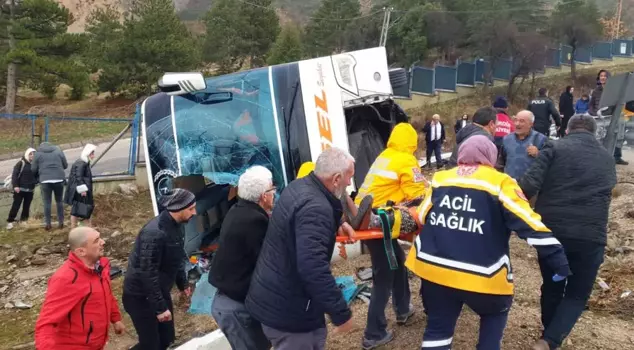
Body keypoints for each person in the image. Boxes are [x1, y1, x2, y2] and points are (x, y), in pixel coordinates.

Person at [371, 135, 570, 350]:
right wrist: (558, 260)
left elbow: (420, 216)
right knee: (494, 316)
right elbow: (529, 223)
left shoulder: (441, 179)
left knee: (438, 330)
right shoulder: (501, 183)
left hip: (435, 272)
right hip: (485, 276)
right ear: (490, 157)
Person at [519, 115, 617, 350]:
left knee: (552, 285)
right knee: (576, 294)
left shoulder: (554, 146)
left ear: (568, 130)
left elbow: (528, 185)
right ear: (594, 133)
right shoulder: (607, 157)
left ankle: (547, 334)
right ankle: (550, 340)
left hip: (552, 233)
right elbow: (609, 188)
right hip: (590, 235)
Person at [246, 147, 356, 350]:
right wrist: (340, 312)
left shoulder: (299, 186)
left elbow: (316, 207)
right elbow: (313, 267)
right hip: (289, 314)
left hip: (275, 298)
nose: (350, 183)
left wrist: (339, 220)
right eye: (349, 177)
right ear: (336, 178)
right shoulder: (316, 209)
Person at [354, 123, 423, 349]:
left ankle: (403, 309)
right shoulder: (406, 160)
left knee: (398, 262)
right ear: (412, 142)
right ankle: (373, 333)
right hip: (379, 223)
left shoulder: (386, 155)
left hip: (369, 219)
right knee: (383, 276)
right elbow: (418, 195)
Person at [209, 166, 276, 350]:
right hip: (235, 307)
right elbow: (267, 265)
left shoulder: (239, 210)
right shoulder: (255, 221)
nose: (274, 194)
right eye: (272, 190)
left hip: (231, 300)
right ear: (264, 195)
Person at [123, 188, 196, 350]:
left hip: (158, 291)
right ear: (177, 208)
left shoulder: (178, 225)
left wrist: (182, 284)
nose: (195, 212)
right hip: (140, 297)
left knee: (167, 337)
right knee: (151, 344)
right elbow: (147, 273)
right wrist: (160, 308)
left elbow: (177, 257)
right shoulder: (154, 233)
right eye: (191, 208)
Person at [35, 227, 125, 349]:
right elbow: (46, 324)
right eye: (96, 240)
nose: (103, 242)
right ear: (81, 251)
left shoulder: (102, 265)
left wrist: (115, 319)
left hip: (98, 343)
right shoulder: (65, 279)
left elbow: (107, 294)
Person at [589, 69, 629, 165]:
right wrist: (593, 113)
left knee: (617, 136)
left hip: (612, 117)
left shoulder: (614, 90)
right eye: (601, 76)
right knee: (599, 137)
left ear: (609, 78)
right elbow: (591, 104)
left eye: (605, 76)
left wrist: (615, 115)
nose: (602, 77)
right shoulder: (595, 91)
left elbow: (618, 104)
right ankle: (599, 157)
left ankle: (616, 157)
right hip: (599, 117)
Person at [497, 110, 548, 180]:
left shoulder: (541, 139)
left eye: (522, 121)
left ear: (531, 124)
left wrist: (538, 154)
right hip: (509, 185)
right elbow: (500, 163)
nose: (517, 124)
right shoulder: (506, 139)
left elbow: (549, 164)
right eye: (516, 120)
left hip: (531, 186)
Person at [31, 142, 68, 231]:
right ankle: (61, 222)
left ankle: (48, 224)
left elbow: (33, 169)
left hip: (45, 180)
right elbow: (65, 165)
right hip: (59, 179)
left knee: (47, 202)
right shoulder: (58, 151)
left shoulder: (38, 153)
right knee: (59, 201)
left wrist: (38, 176)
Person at [65, 144, 97, 228]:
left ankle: (75, 228)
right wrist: (83, 190)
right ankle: (87, 228)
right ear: (87, 153)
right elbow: (78, 177)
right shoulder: (81, 163)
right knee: (84, 209)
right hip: (81, 191)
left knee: (77, 209)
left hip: (79, 190)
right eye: (92, 154)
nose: (93, 156)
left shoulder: (83, 162)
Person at [6, 148, 37, 230]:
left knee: (26, 206)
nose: (32, 156)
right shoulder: (21, 163)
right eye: (30, 154)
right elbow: (15, 175)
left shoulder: (35, 164)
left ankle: (23, 220)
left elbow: (37, 175)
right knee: (16, 205)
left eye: (34, 154)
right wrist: (15, 186)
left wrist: (35, 182)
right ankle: (10, 221)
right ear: (27, 154)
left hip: (30, 190)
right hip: (19, 189)